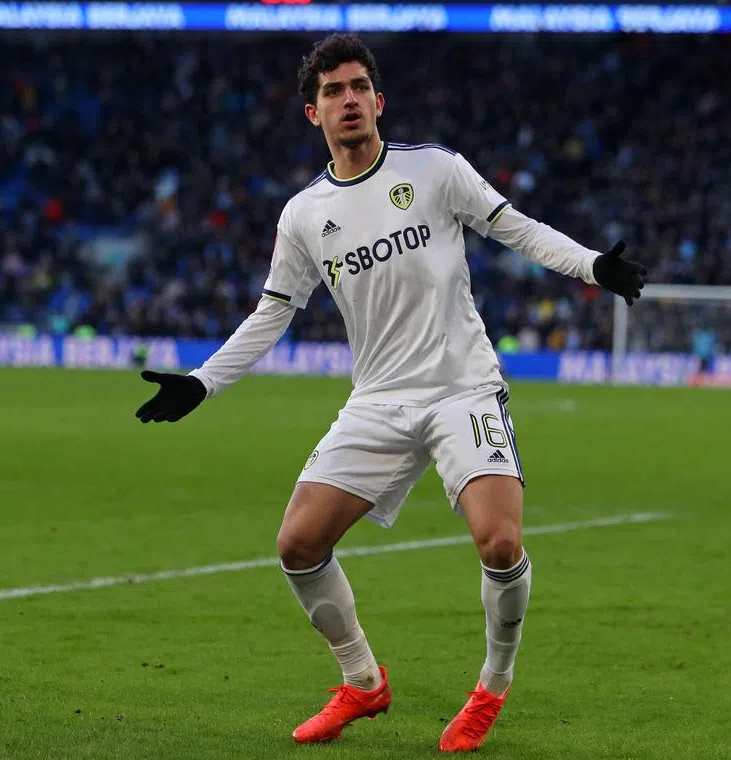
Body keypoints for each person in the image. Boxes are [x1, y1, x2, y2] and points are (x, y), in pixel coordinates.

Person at [134, 33, 645, 752]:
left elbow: (518, 231)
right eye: (332, 92)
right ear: (312, 113)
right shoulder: (304, 215)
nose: (348, 100)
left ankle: (490, 690)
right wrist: (201, 382)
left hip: (461, 388)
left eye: (357, 87)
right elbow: (273, 311)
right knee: (297, 544)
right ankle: (363, 682)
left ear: (379, 99)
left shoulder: (436, 171)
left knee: (500, 543)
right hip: (377, 399)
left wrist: (595, 267)